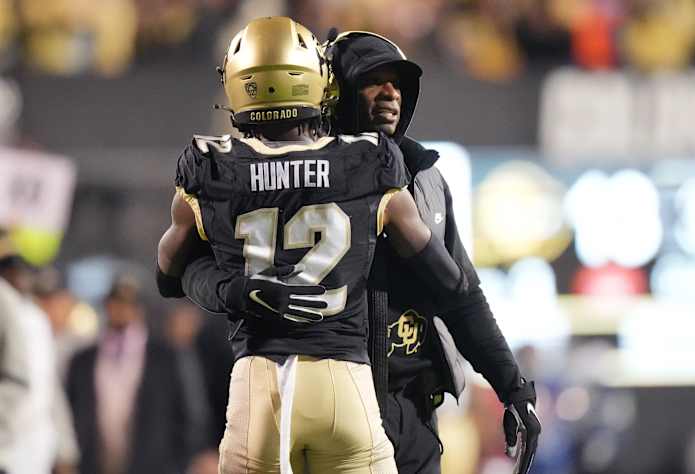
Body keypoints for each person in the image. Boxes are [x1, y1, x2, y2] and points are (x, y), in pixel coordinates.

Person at [176, 29, 541, 474]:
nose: (391, 94)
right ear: (331, 88)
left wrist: (512, 386)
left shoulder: (423, 177)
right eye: (373, 81)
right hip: (323, 392)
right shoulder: (276, 168)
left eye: (398, 83)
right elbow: (189, 269)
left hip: (408, 406)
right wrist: (235, 291)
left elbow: (462, 297)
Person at [66, 275, 191, 474]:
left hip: (152, 466)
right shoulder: (83, 360)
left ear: (140, 309)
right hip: (94, 464)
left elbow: (185, 413)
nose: (121, 311)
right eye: (115, 303)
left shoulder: (164, 357)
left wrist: (179, 463)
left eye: (129, 305)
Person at [0, 230, 79, 474]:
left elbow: (47, 385)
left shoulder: (34, 318)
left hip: (35, 447)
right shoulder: (9, 305)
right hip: (9, 445)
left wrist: (65, 447)